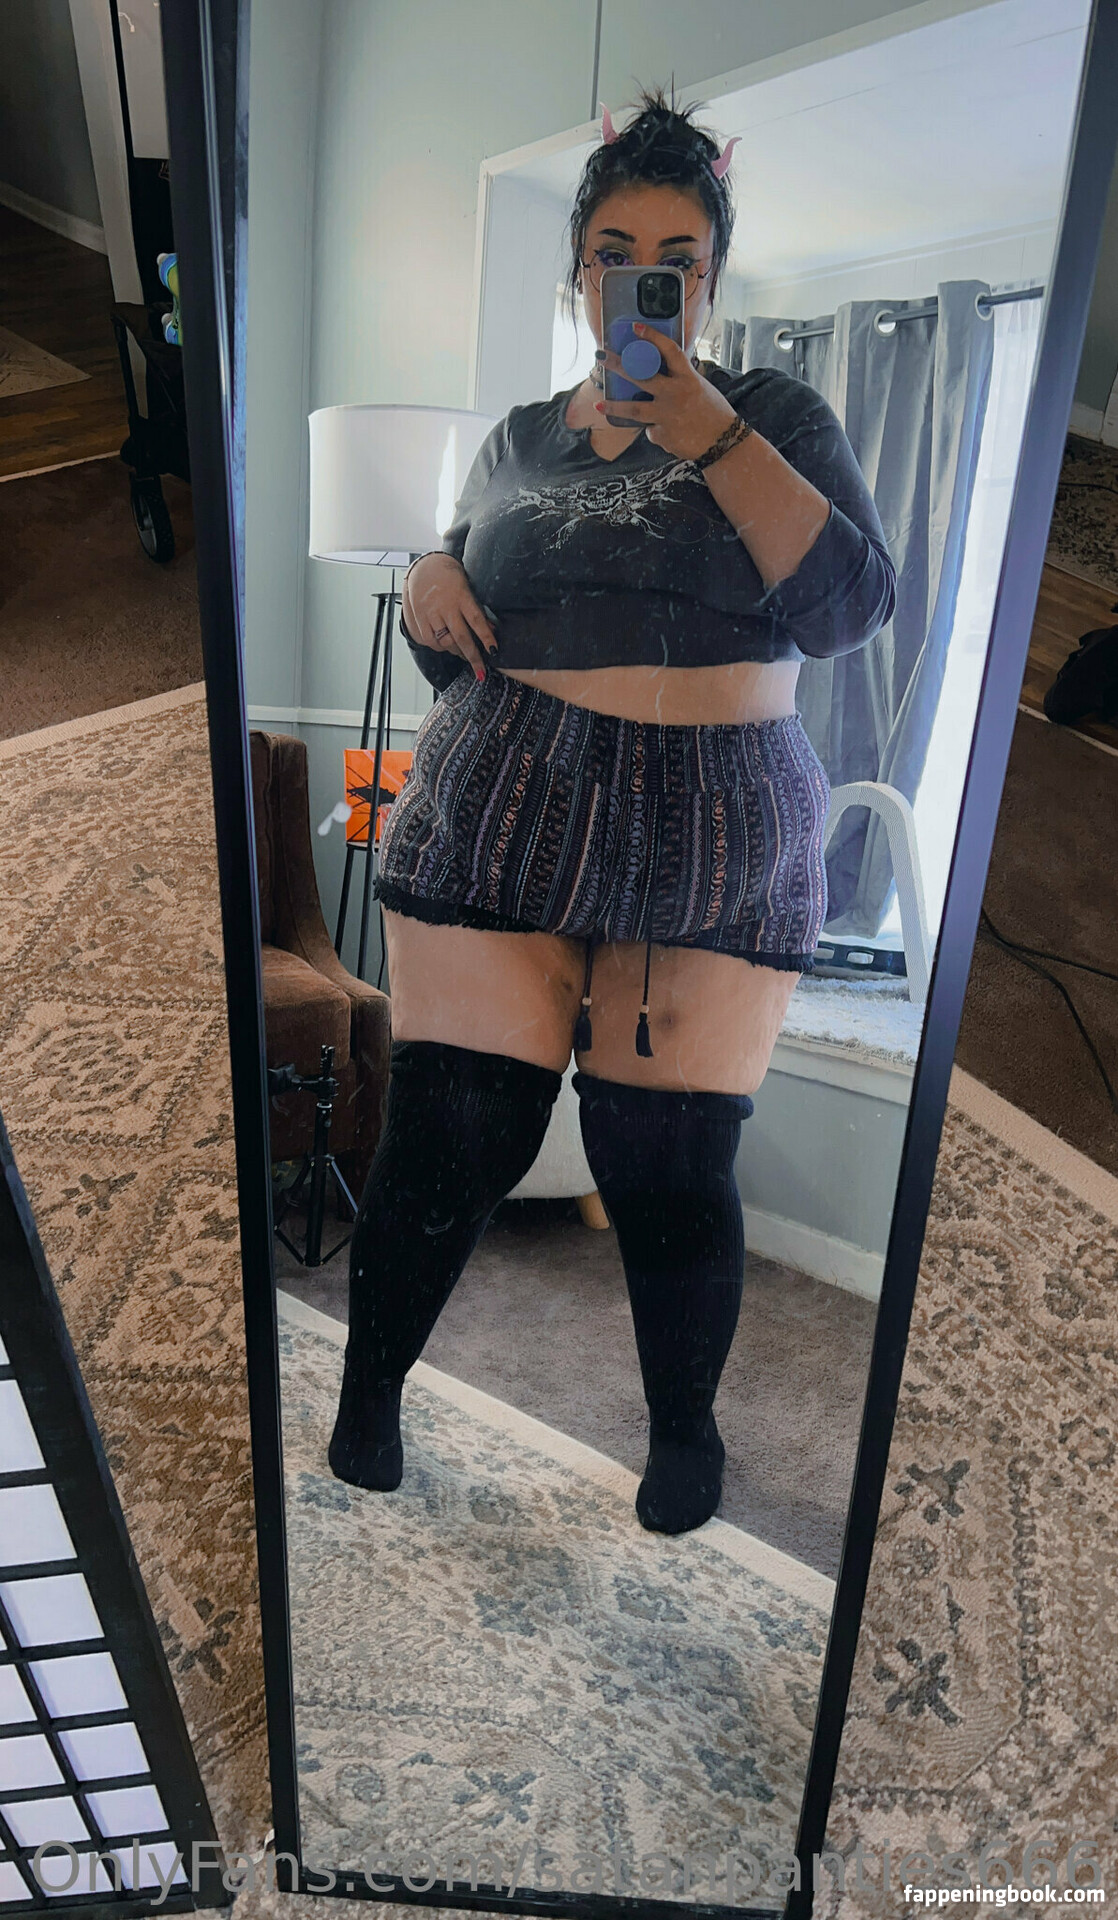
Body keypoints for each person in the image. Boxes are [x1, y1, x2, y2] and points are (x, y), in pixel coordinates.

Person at [327, 89, 895, 1534]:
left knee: (666, 1157)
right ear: (578, 271)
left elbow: (845, 612)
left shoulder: (780, 416)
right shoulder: (517, 438)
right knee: (456, 1131)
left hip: (716, 827)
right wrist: (433, 580)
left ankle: (684, 1429)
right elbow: (458, 628)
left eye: (678, 260)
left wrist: (708, 431)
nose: (645, 281)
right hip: (503, 801)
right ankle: (370, 1389)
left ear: (710, 279)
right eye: (615, 254)